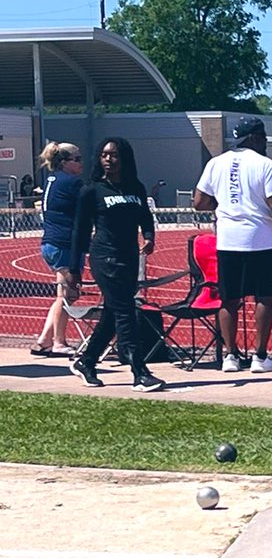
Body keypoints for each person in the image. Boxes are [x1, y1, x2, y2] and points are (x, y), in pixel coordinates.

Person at [193, 116, 272, 374]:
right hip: (260, 238)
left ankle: (230, 356)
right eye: (264, 138)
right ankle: (260, 357)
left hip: (228, 240)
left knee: (229, 300)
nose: (266, 143)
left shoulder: (216, 163)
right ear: (256, 138)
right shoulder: (265, 165)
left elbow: (199, 201)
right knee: (264, 297)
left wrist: (224, 205)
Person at [69, 138, 165, 392]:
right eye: (103, 155)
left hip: (129, 256)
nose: (108, 160)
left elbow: (145, 216)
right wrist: (73, 270)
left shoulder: (135, 187)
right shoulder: (92, 190)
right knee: (125, 311)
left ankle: (86, 362)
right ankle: (139, 372)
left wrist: (149, 236)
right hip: (105, 257)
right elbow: (79, 231)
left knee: (113, 313)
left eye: (113, 155)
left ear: (124, 159)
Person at [31, 142, 83, 357]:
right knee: (67, 294)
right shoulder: (71, 183)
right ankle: (58, 342)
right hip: (64, 244)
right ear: (64, 162)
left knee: (63, 294)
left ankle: (43, 341)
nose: (81, 163)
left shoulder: (51, 181)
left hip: (52, 242)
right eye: (77, 159)